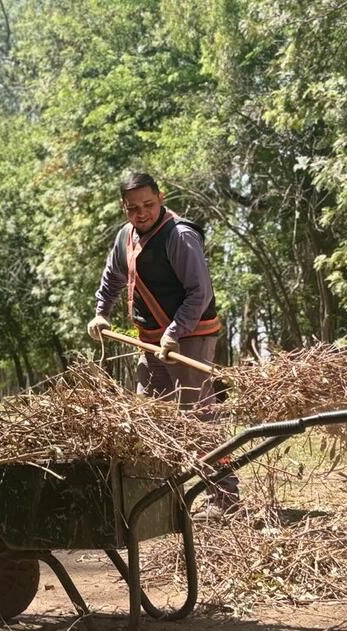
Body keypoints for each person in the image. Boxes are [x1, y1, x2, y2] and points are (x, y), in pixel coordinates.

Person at [87, 171, 239, 515]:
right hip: (151, 341)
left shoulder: (180, 236)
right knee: (147, 415)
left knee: (199, 417)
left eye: (148, 205)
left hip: (192, 336)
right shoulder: (125, 237)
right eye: (133, 208)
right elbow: (112, 278)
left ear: (161, 198)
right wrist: (101, 312)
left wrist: (175, 332)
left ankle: (224, 497)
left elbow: (200, 293)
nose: (141, 213)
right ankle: (158, 499)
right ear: (124, 208)